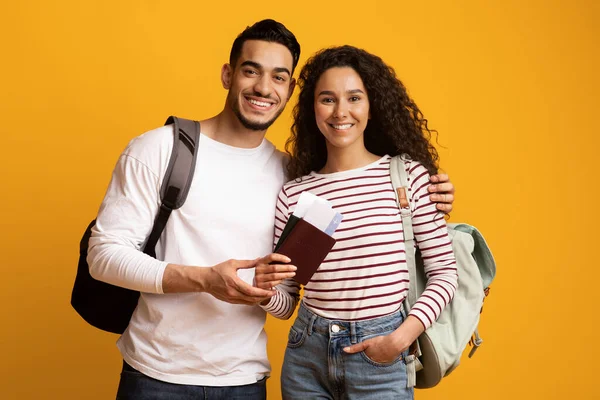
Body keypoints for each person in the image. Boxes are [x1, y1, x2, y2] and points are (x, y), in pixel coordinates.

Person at [87, 20, 455, 399]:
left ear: (290, 89)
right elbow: (103, 256)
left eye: (278, 76)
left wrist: (434, 193)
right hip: (157, 375)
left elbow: (286, 294)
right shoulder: (163, 150)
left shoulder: (290, 174)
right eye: (251, 71)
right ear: (228, 75)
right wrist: (211, 280)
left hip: (246, 379)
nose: (264, 87)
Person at [255, 45, 459, 400]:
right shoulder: (294, 194)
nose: (341, 112)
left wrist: (399, 339)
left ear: (371, 105)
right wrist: (260, 290)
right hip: (307, 354)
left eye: (354, 98)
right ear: (312, 108)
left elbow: (445, 271)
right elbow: (287, 303)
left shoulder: (406, 178)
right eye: (327, 99)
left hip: (381, 354)